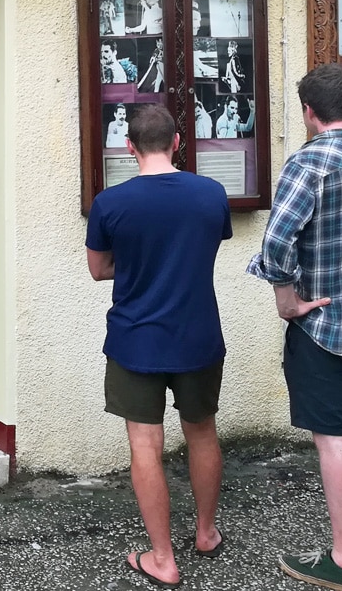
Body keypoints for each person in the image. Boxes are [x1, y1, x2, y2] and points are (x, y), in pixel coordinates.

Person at [248, 63, 342, 591]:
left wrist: (288, 302)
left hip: (326, 324)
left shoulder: (310, 163)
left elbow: (275, 244)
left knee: (333, 436)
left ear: (309, 112)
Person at [86, 104, 231, 589]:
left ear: (128, 148)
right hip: (198, 336)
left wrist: (134, 265)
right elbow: (206, 246)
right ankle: (206, 533)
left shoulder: (110, 203)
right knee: (203, 433)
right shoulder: (211, 193)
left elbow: (98, 269)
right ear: (176, 142)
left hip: (135, 340)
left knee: (145, 446)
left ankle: (163, 558)